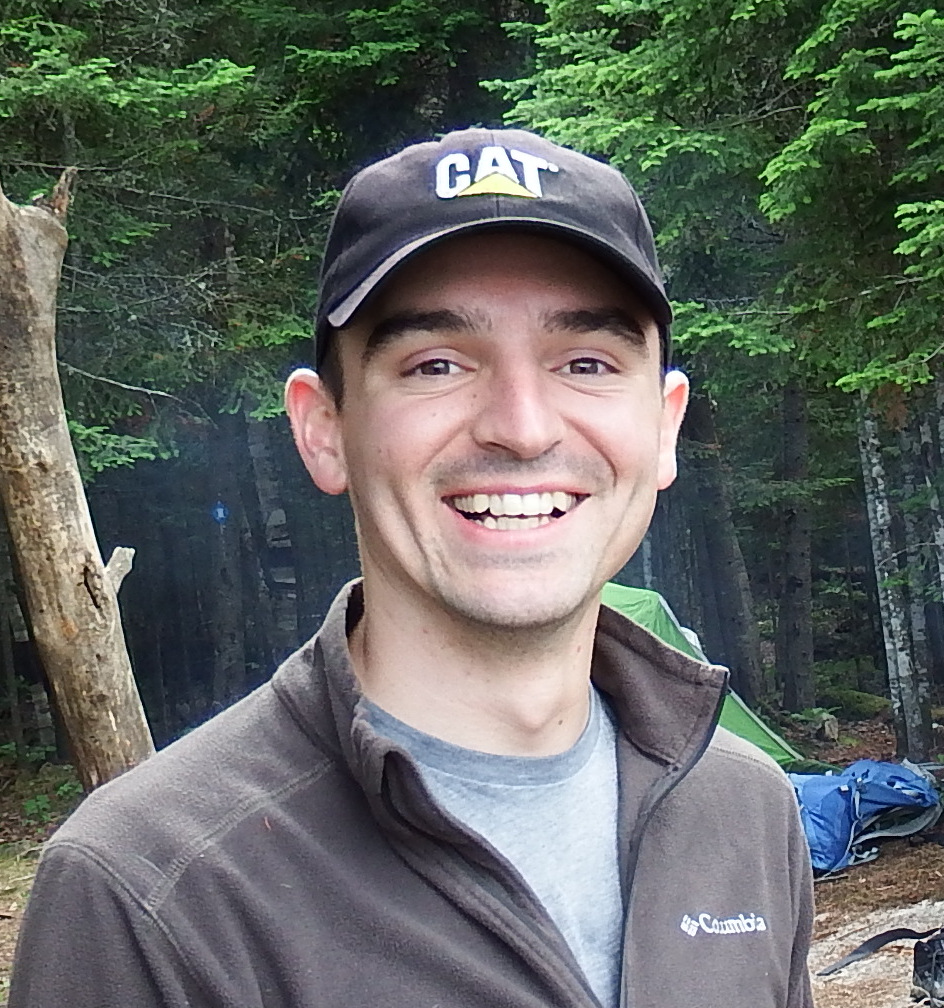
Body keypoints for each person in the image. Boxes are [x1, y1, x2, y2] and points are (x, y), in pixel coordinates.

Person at [9, 128, 813, 1008]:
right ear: (325, 431)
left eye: (586, 363)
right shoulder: (149, 888)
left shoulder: (744, 809)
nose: (522, 425)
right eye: (436, 364)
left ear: (663, 426)